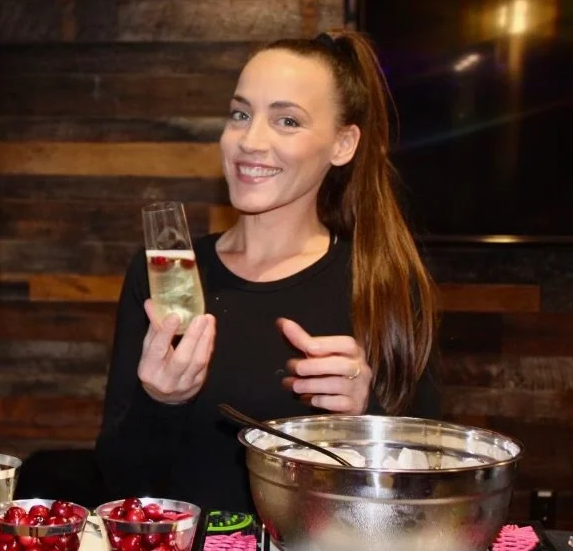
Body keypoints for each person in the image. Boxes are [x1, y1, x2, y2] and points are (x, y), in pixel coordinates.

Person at [94, 30, 442, 512]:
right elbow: (119, 483)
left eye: (287, 120)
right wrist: (160, 401)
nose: (250, 141)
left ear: (343, 144)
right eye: (240, 114)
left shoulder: (383, 283)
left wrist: (367, 417)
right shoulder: (163, 276)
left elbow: (428, 492)